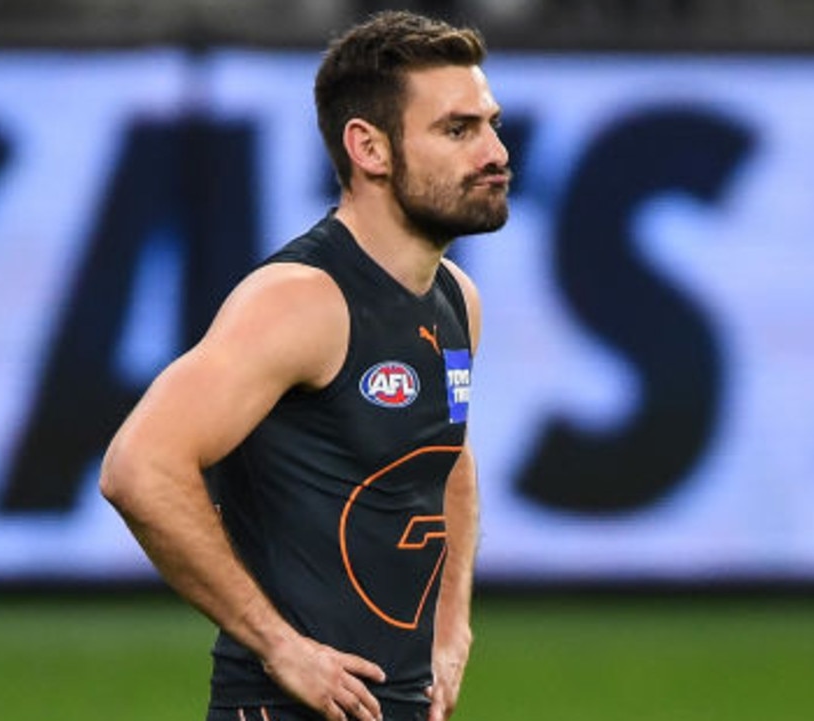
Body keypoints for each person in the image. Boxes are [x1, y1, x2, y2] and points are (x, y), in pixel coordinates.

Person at [99, 10, 511, 721]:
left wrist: (453, 624)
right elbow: (139, 466)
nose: (495, 152)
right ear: (369, 149)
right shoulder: (300, 300)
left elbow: (448, 456)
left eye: (489, 123)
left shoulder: (455, 298)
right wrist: (278, 644)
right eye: (457, 130)